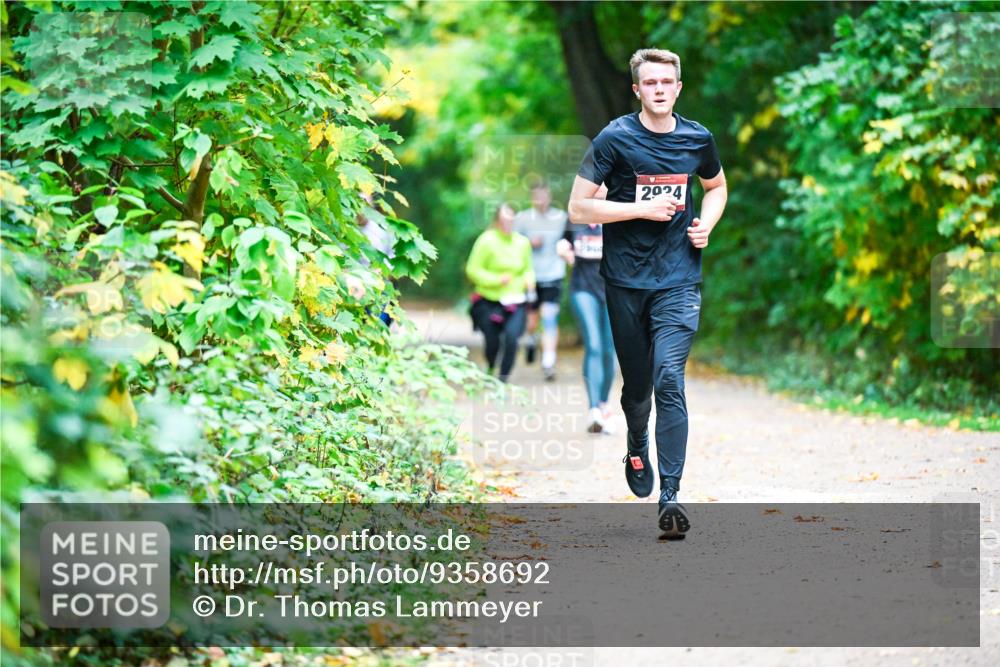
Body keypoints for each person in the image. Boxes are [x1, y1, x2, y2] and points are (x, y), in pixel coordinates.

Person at [568, 48, 728, 538]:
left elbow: (716, 186)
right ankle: (637, 441)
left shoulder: (697, 138)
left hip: (679, 280)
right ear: (637, 89)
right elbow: (578, 208)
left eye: (668, 82)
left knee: (669, 380)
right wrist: (638, 209)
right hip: (624, 282)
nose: (660, 89)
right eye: (650, 82)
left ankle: (671, 496)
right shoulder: (615, 139)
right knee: (637, 390)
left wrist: (707, 225)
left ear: (678, 87)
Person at [557, 184, 616, 434]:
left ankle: (603, 406)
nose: (601, 190)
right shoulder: (575, 219)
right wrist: (563, 250)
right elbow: (563, 243)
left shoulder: (618, 218)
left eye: (605, 186)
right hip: (583, 288)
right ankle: (593, 409)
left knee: (609, 349)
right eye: (596, 187)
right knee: (593, 344)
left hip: (614, 290)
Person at [465, 203, 536, 382]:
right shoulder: (486, 240)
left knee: (512, 338)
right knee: (492, 342)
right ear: (497, 220)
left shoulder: (522, 242)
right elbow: (472, 269)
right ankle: (490, 364)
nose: (507, 223)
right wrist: (496, 280)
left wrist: (530, 281)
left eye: (510, 220)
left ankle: (503, 378)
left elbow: (528, 268)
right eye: (503, 220)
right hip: (489, 300)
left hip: (516, 300)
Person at [515, 182, 568, 381]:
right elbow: (513, 245)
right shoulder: (522, 219)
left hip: (554, 274)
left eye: (544, 195)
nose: (541, 199)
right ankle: (530, 338)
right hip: (530, 276)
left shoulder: (561, 218)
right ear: (532, 198)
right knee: (532, 319)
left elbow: (570, 239)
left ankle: (548, 361)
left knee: (550, 316)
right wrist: (529, 243)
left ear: (549, 195)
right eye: (537, 196)